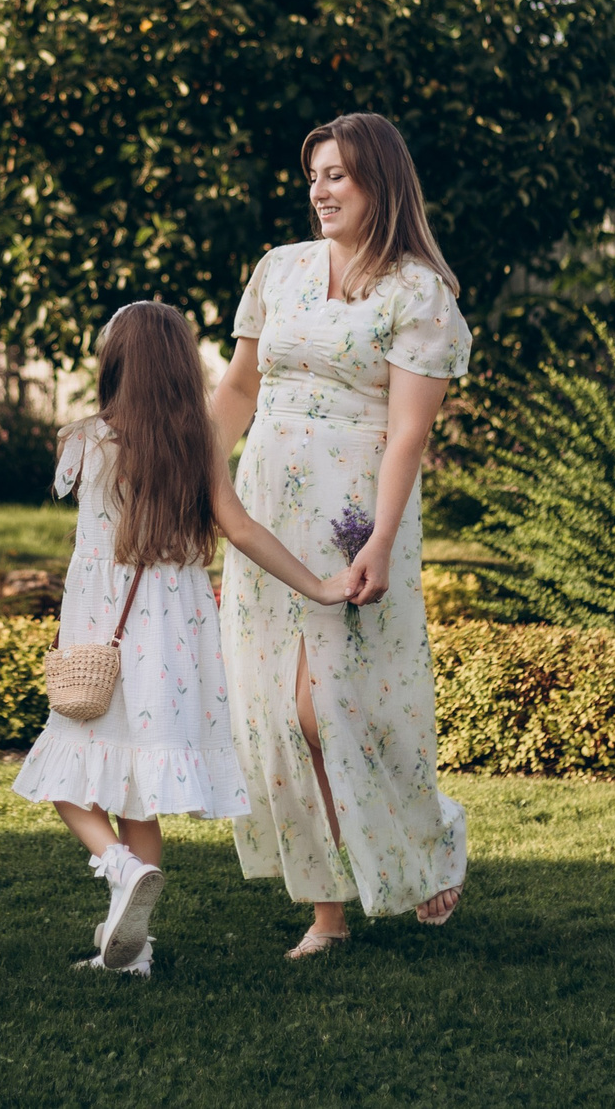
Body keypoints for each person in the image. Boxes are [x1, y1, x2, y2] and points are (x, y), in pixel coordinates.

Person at [12, 301, 353, 977]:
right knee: (140, 788)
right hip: (174, 638)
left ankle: (119, 867)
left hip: (104, 634)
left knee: (64, 772)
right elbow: (242, 529)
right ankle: (133, 950)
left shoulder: (87, 440)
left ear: (116, 365)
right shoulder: (197, 446)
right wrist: (317, 586)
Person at [209, 112, 473, 959]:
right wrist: (193, 479)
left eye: (338, 175)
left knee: (329, 708)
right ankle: (326, 912)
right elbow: (239, 388)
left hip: (353, 513)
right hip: (264, 506)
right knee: (274, 713)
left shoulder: (417, 293)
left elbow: (408, 433)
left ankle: (429, 834)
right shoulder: (279, 270)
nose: (320, 190)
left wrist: (382, 539)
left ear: (378, 183)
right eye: (315, 175)